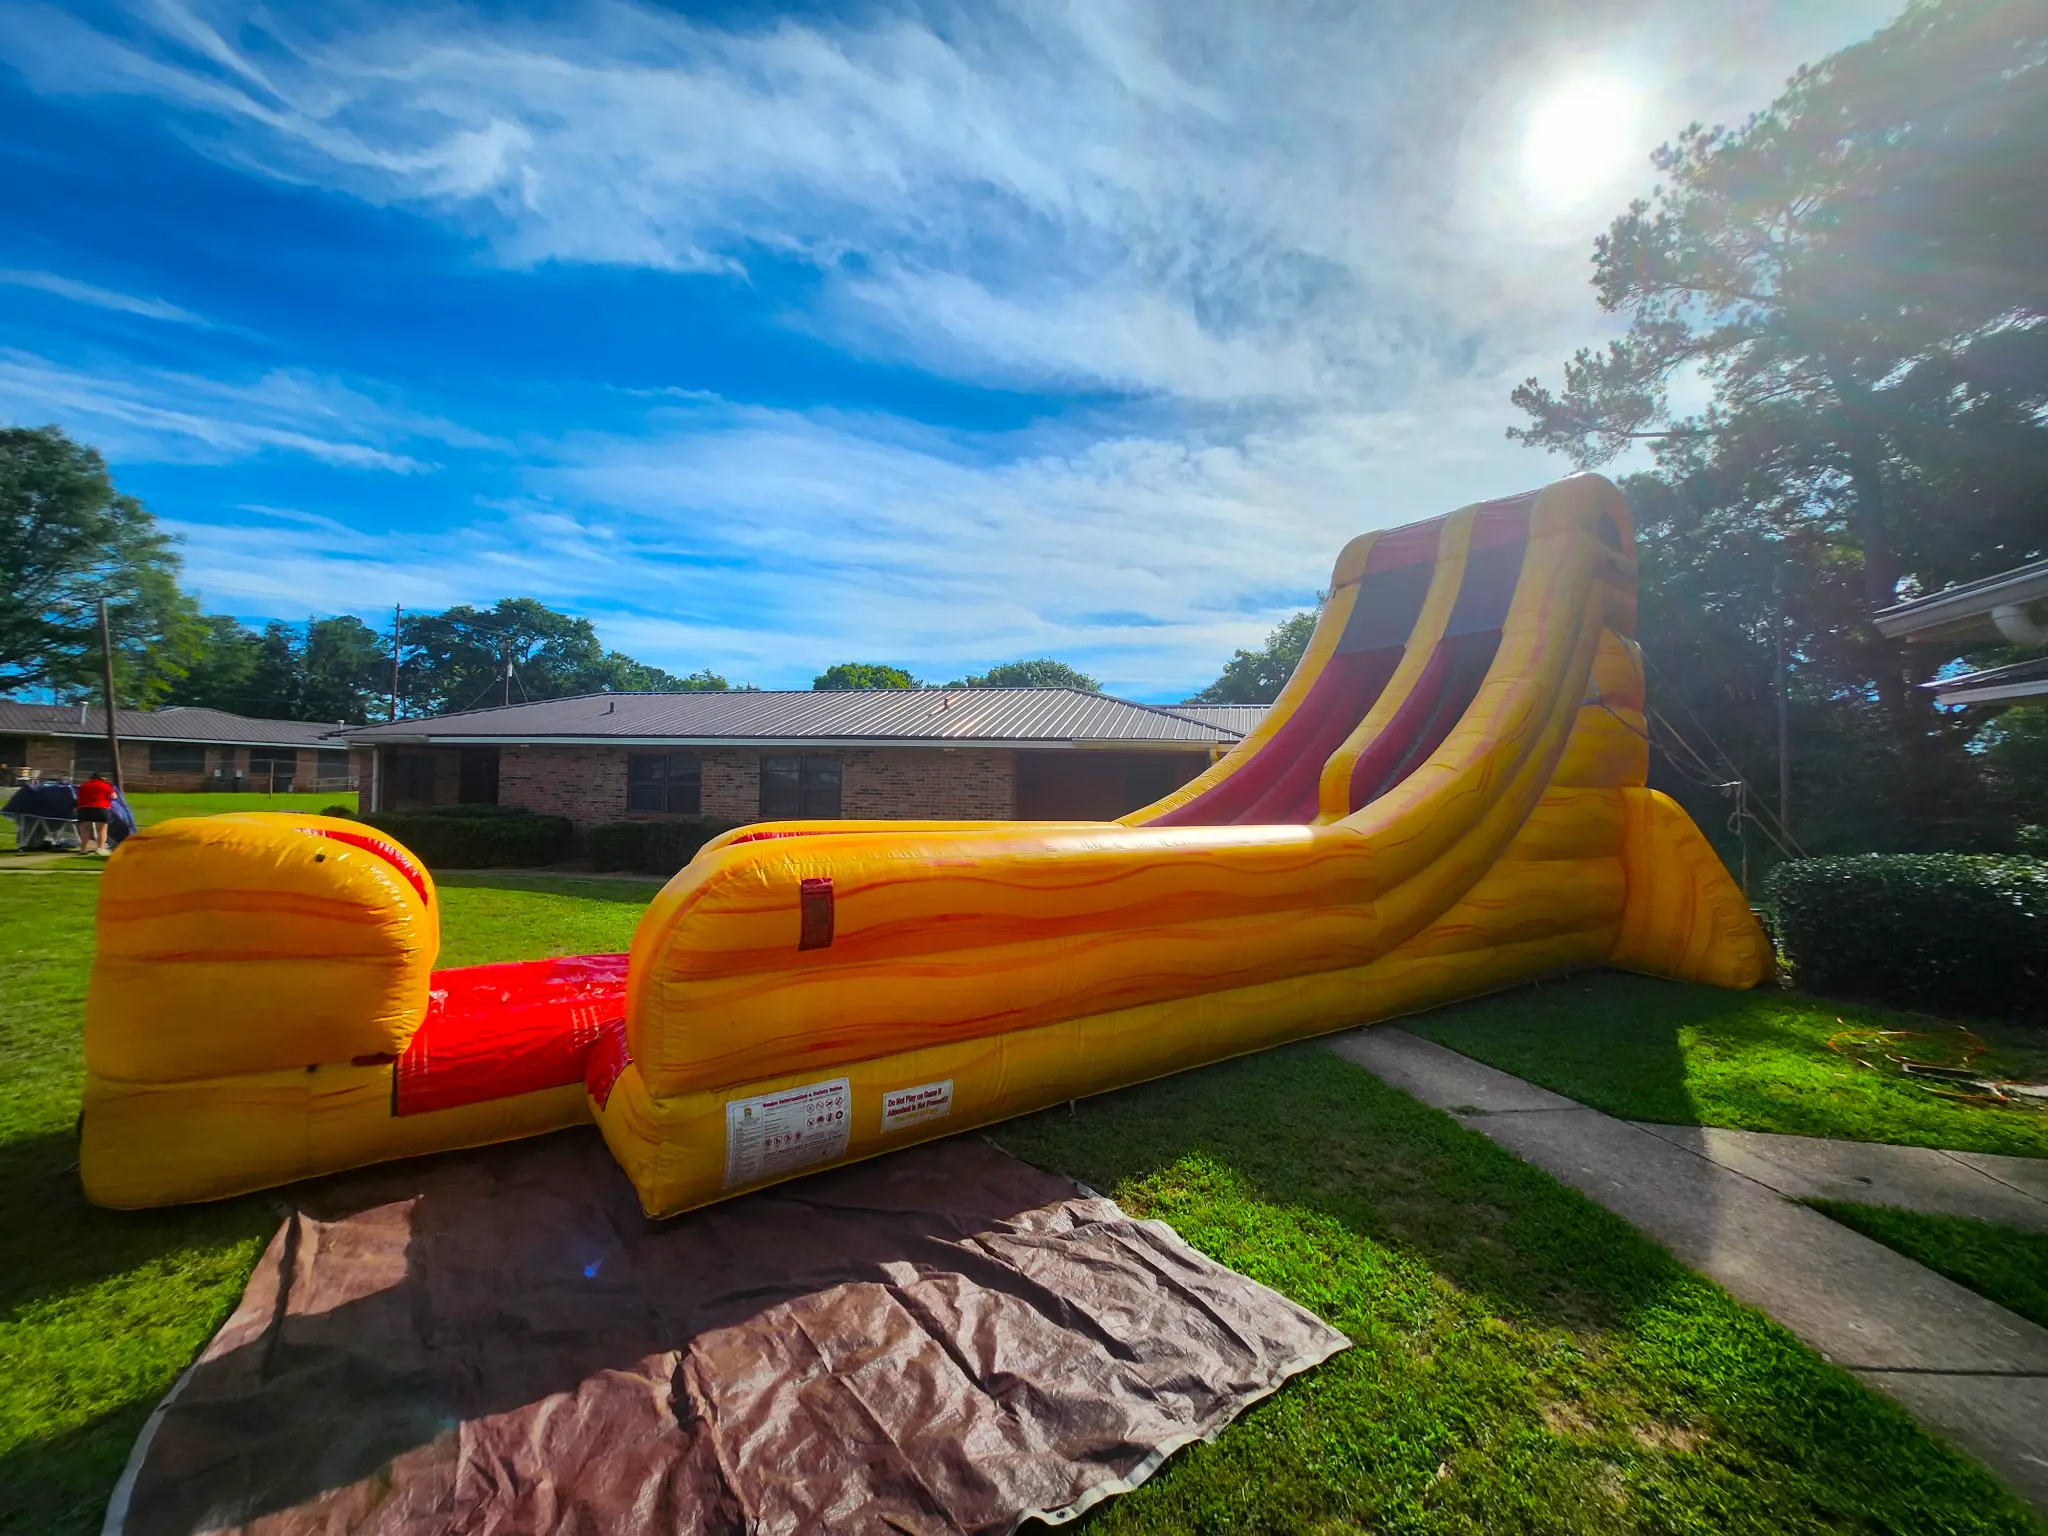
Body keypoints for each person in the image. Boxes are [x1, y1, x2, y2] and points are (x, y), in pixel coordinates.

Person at [75, 771, 116, 854]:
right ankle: (100, 848)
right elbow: (114, 796)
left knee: (85, 829)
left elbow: (78, 796)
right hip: (101, 808)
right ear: (102, 778)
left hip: (84, 809)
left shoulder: (84, 785)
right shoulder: (105, 785)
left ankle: (83, 849)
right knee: (101, 829)